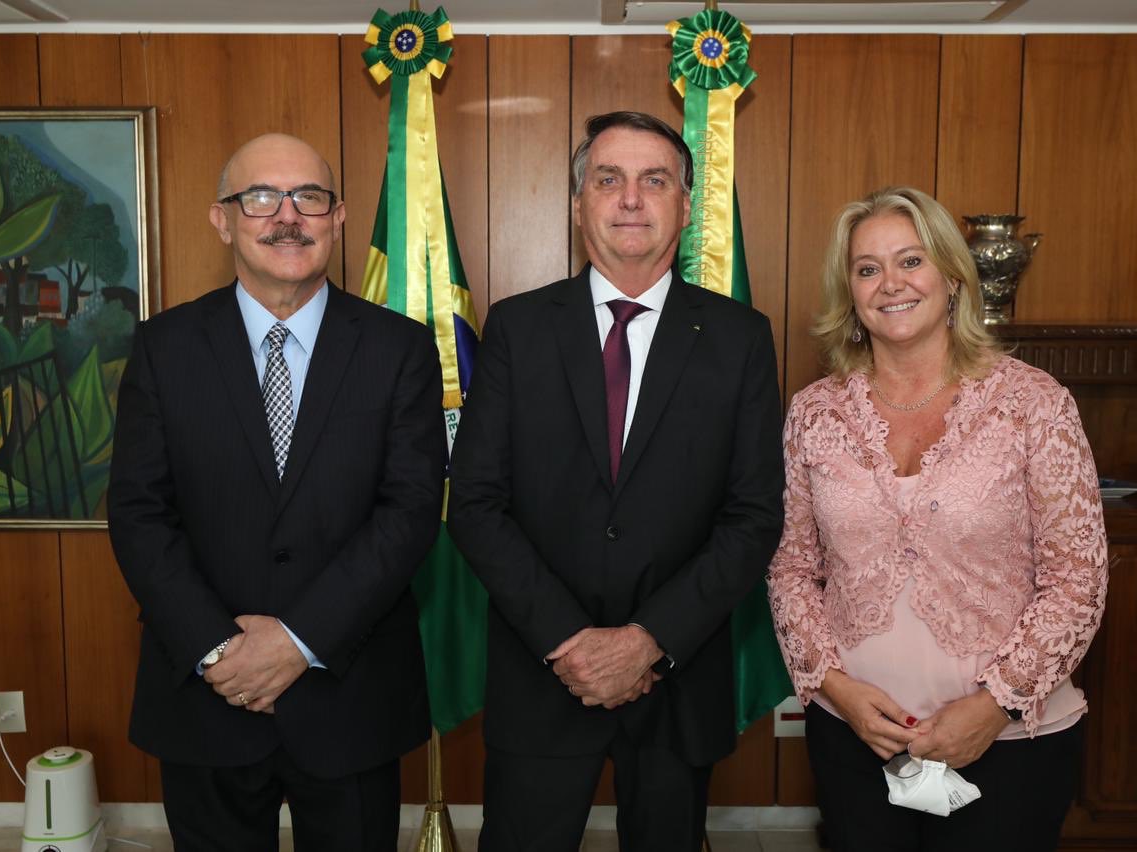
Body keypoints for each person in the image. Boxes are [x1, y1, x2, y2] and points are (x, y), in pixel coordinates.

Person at [446, 111, 784, 851]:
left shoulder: (740, 338)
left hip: (675, 679)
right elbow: (474, 503)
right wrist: (569, 641)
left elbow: (754, 515)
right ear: (578, 205)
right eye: (609, 179)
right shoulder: (517, 329)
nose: (631, 198)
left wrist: (647, 641)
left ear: (686, 208)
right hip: (542, 674)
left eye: (654, 181)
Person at [107, 133, 446, 851]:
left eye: (310, 198)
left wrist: (297, 640)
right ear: (222, 220)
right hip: (207, 692)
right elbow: (139, 514)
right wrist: (218, 649)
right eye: (261, 197)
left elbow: (410, 511)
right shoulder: (164, 348)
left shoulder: (401, 348)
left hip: (349, 694)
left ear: (338, 219)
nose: (288, 216)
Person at [768, 186, 1108, 851]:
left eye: (910, 261)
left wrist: (995, 706)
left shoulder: (1033, 404)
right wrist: (836, 689)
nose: (890, 283)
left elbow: (1078, 579)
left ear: (952, 278)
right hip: (856, 739)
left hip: (1009, 743)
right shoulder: (813, 413)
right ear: (851, 293)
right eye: (868, 269)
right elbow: (790, 569)